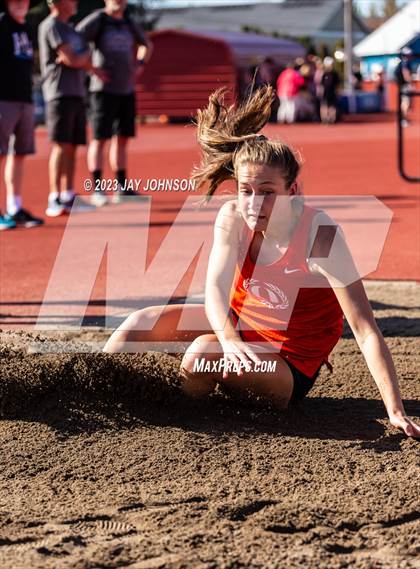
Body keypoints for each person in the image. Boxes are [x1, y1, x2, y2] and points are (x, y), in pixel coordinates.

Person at [103, 86, 420, 440]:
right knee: (138, 324)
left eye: (268, 192)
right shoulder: (233, 217)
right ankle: (94, 396)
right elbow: (214, 291)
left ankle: (166, 425)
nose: (255, 204)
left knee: (202, 355)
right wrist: (229, 337)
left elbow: (364, 329)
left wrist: (395, 409)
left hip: (288, 364)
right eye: (246, 191)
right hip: (241, 328)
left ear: (293, 191)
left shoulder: (322, 238)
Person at [77, 0, 152, 206]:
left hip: (125, 90)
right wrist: (90, 67)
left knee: (122, 139)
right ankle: (98, 189)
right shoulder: (98, 20)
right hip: (102, 91)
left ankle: (122, 188)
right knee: (100, 139)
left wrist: (140, 64)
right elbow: (75, 40)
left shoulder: (129, 22)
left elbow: (146, 44)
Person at [38, 0, 104, 217]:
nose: (75, 2)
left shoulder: (70, 29)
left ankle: (68, 195)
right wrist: (78, 58)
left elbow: (80, 58)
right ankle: (54, 197)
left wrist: (79, 58)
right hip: (59, 93)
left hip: (76, 93)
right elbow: (72, 57)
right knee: (60, 145)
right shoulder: (51, 26)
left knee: (73, 146)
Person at [0, 0, 43, 230]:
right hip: (3, 100)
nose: (20, 4)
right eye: (15, 0)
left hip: (25, 99)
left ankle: (14, 207)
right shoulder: (2, 24)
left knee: (19, 154)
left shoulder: (26, 28)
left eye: (24, 0)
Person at [394, 47, 414, 127]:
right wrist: (409, 83)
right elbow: (405, 72)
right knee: (406, 102)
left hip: (401, 85)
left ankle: (403, 119)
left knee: (404, 102)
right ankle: (403, 119)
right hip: (404, 85)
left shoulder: (402, 62)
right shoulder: (406, 62)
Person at [320, 56, 340, 124]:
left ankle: (332, 118)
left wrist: (337, 92)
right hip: (325, 93)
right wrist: (321, 92)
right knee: (324, 105)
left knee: (332, 106)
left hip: (332, 92)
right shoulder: (324, 74)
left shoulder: (335, 74)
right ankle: (325, 119)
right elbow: (321, 84)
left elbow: (337, 85)